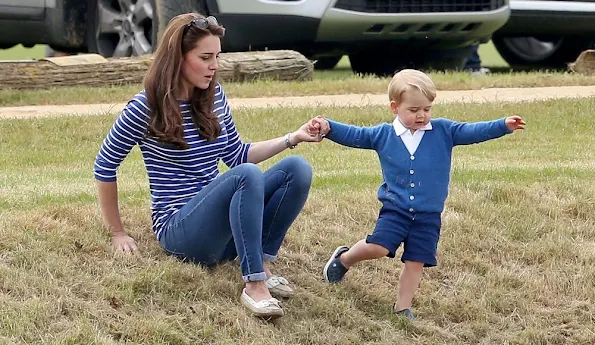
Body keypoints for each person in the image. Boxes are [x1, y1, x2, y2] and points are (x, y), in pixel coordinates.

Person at [93, 12, 322, 319]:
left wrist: (293, 137)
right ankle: (254, 285)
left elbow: (237, 155)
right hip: (180, 232)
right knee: (247, 177)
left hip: (222, 233)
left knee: (297, 168)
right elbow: (105, 165)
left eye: (217, 56)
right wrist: (117, 232)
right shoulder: (144, 107)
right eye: (205, 57)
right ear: (178, 58)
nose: (214, 66)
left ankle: (262, 264)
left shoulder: (214, 96)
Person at [311, 69, 525, 320]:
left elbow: (472, 131)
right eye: (413, 110)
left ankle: (402, 307)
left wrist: (503, 125)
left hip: (429, 215)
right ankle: (345, 258)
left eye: (427, 108)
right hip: (396, 209)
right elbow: (355, 135)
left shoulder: (444, 131)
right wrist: (328, 127)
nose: (421, 115)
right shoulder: (382, 135)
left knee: (415, 262)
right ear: (395, 107)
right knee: (379, 247)